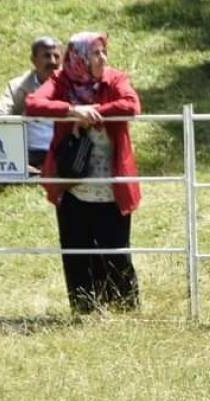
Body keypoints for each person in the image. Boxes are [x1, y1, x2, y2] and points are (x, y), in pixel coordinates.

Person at [26, 33, 142, 314]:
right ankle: (83, 310)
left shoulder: (114, 78)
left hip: (111, 185)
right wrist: (73, 110)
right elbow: (33, 104)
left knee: (115, 252)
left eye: (103, 52)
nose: (102, 58)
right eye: (95, 54)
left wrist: (95, 112)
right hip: (72, 184)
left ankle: (126, 309)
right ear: (79, 58)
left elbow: (131, 104)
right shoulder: (61, 80)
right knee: (76, 251)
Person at [0, 36, 62, 172]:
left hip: (62, 148)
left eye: (57, 56)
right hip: (30, 151)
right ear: (34, 60)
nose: (53, 61)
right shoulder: (18, 86)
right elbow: (0, 111)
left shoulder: (75, 86)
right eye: (46, 56)